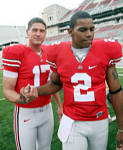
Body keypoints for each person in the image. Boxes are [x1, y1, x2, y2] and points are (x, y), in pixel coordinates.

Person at [21, 11, 123, 150]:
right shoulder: (58, 51)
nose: (89, 34)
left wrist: (122, 128)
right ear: (70, 31)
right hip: (72, 121)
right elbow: (55, 84)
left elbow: (116, 90)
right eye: (83, 30)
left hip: (99, 119)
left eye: (92, 29)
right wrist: (35, 90)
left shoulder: (105, 49)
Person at [2, 17, 62, 150]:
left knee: (45, 148)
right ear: (27, 32)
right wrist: (22, 99)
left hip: (47, 110)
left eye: (42, 30)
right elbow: (7, 90)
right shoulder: (16, 53)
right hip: (25, 112)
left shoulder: (49, 52)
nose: (38, 33)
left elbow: (52, 84)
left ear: (46, 33)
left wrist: (59, 106)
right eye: (34, 30)